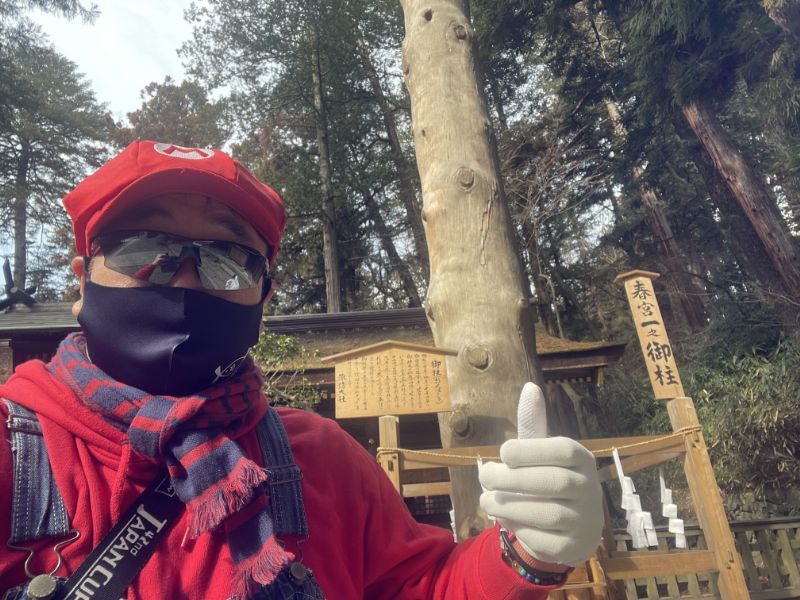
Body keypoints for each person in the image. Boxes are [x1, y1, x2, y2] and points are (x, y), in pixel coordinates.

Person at [0, 141, 603, 599]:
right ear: (81, 281)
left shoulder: (321, 455)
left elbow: (422, 585)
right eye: (142, 249)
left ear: (264, 296)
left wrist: (524, 553)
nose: (184, 278)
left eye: (226, 259)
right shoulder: (10, 447)